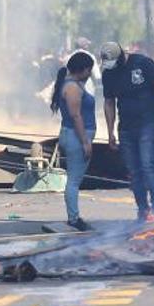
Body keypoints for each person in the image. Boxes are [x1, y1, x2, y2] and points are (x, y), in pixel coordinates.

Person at [100, 42, 154, 222]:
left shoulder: (143, 63)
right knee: (134, 171)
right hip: (126, 128)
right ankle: (142, 210)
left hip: (147, 124)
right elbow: (109, 102)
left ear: (121, 56)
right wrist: (110, 132)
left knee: (148, 166)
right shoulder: (108, 74)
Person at [51, 52, 96, 231]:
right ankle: (74, 218)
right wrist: (85, 141)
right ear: (83, 69)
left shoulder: (73, 84)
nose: (90, 74)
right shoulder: (72, 88)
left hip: (73, 135)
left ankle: (73, 216)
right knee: (74, 180)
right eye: (89, 70)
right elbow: (75, 115)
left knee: (74, 179)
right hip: (76, 137)